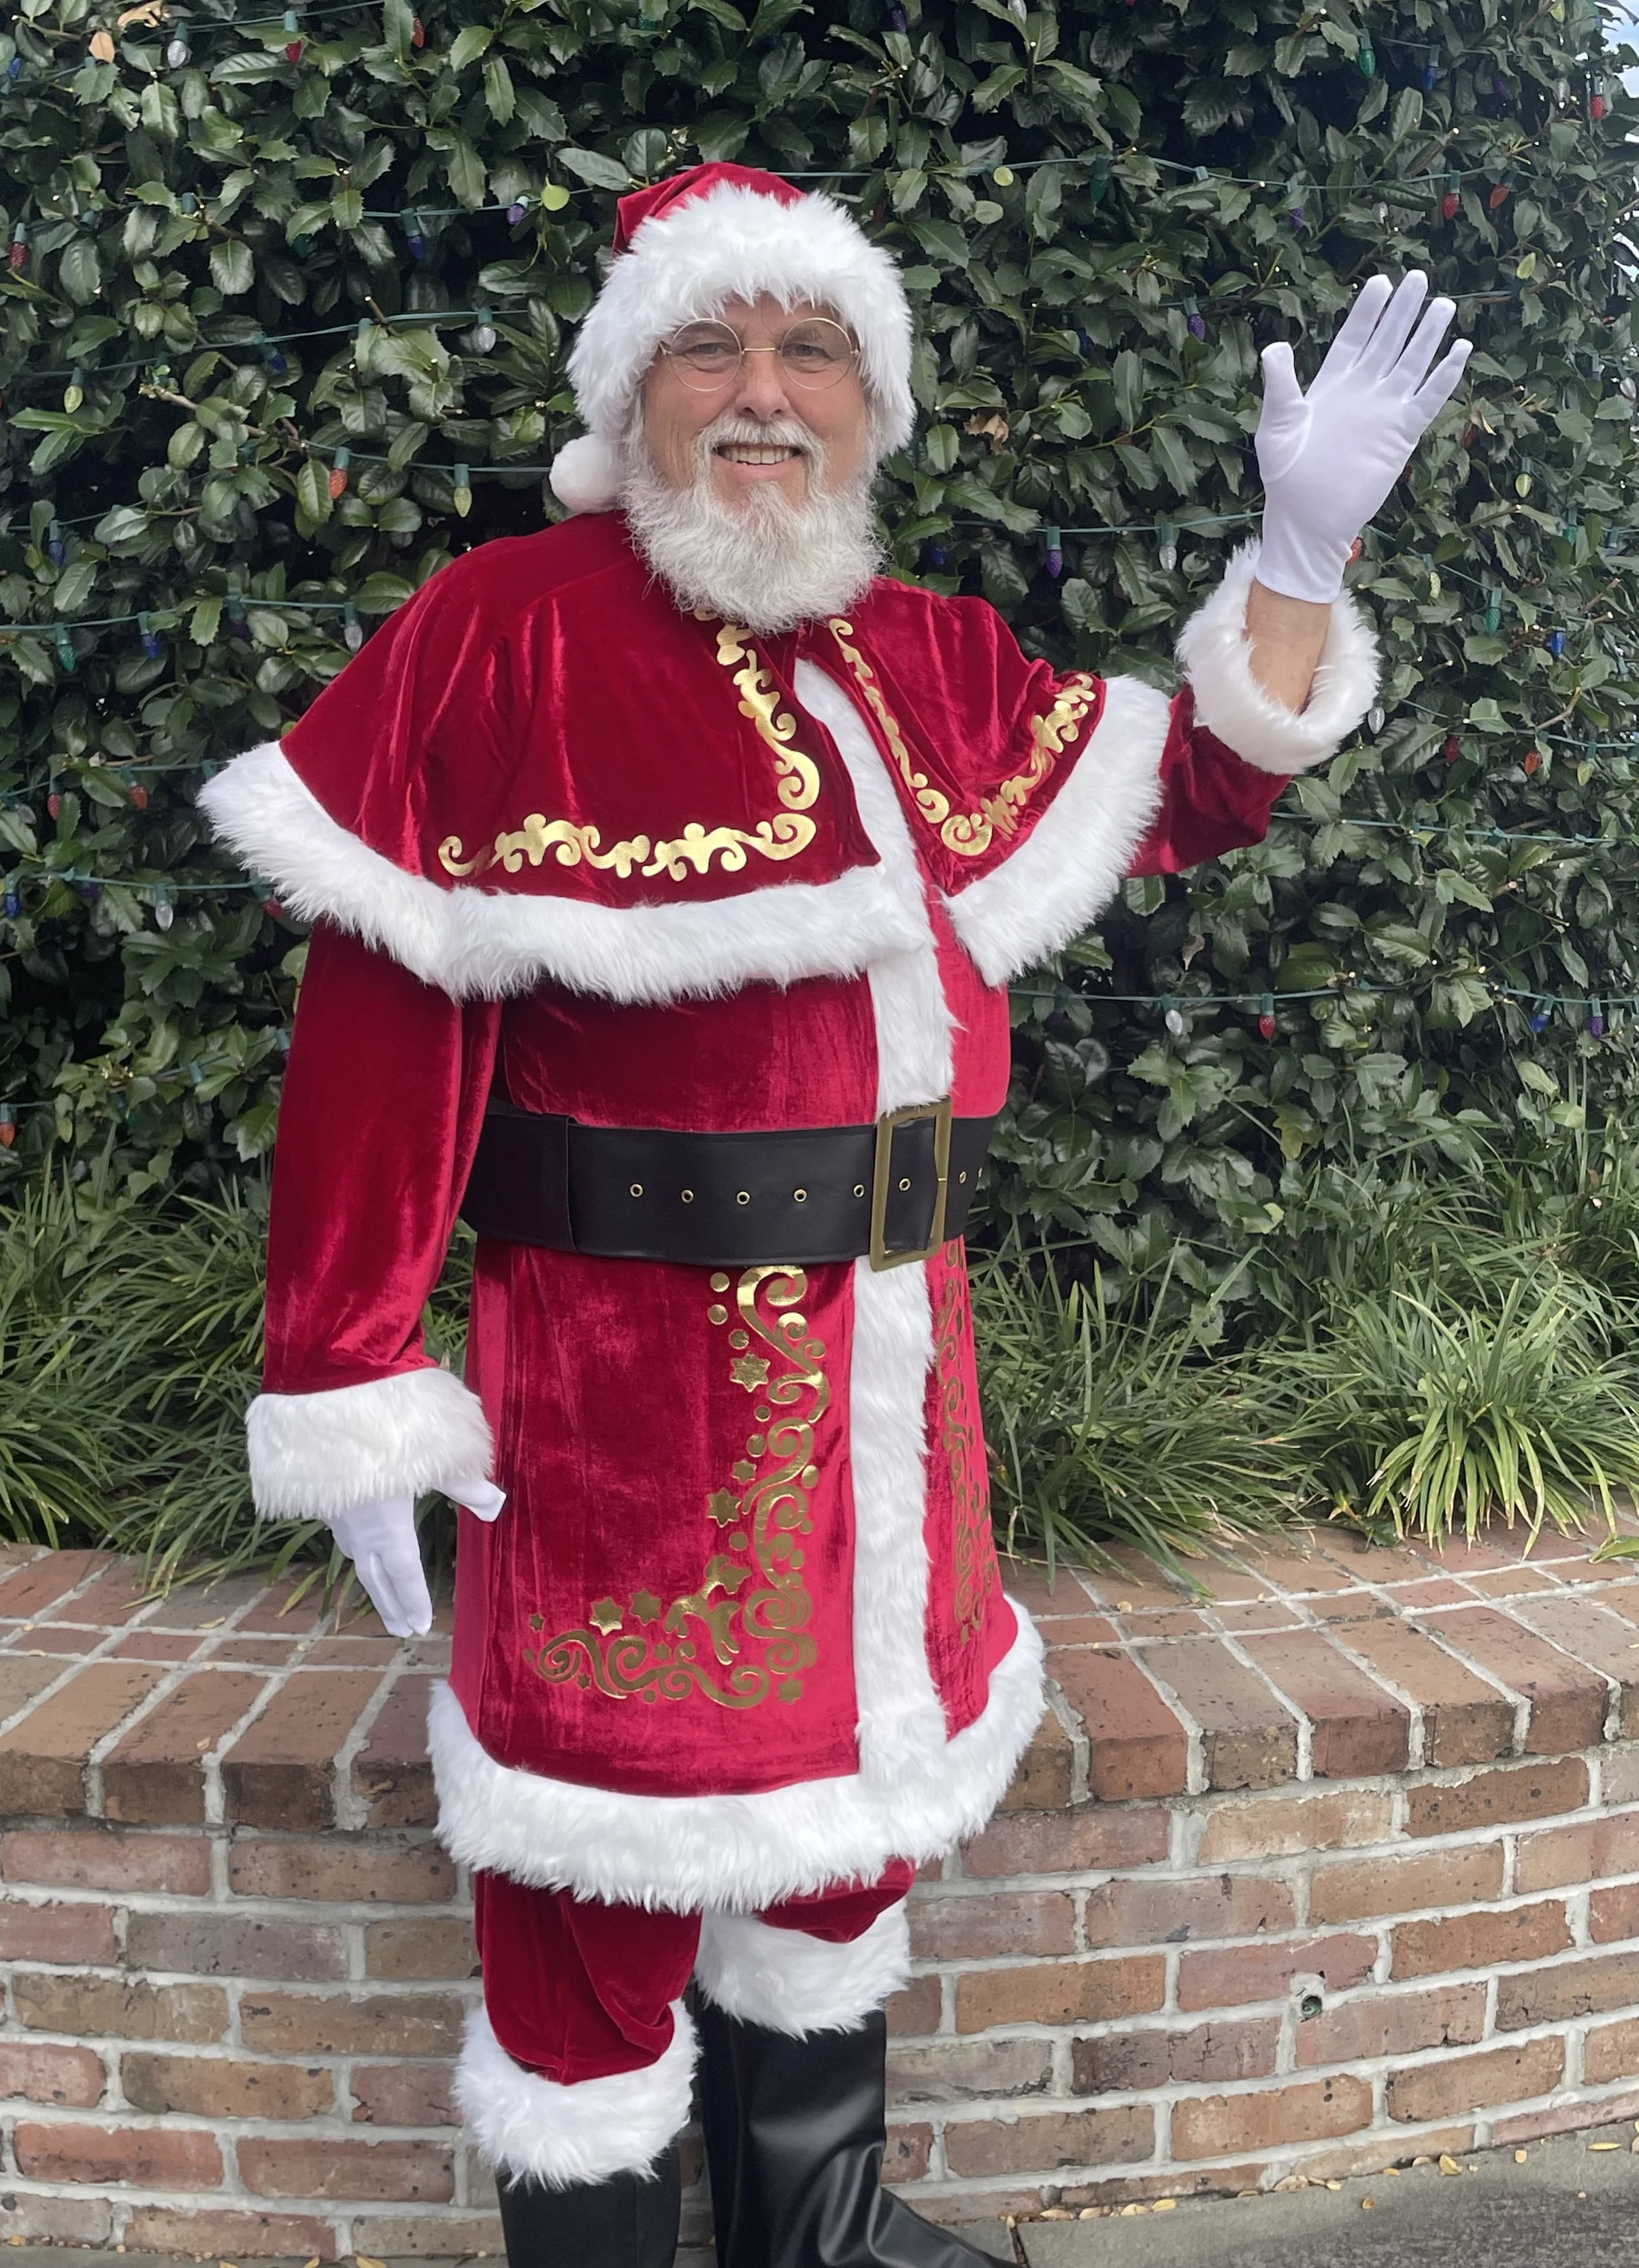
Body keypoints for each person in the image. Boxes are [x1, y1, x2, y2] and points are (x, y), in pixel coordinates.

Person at [202, 162, 1469, 2268]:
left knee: (850, 1844)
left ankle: (816, 2234)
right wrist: (350, 1376)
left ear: (870, 406)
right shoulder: (495, 629)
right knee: (593, 1880)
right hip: (620, 1415)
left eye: (812, 351)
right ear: (631, 399)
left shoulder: (928, 654)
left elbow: (1204, 785)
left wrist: (1298, 551)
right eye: (713, 344)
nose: (765, 394)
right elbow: (375, 1030)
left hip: (902, 1389)